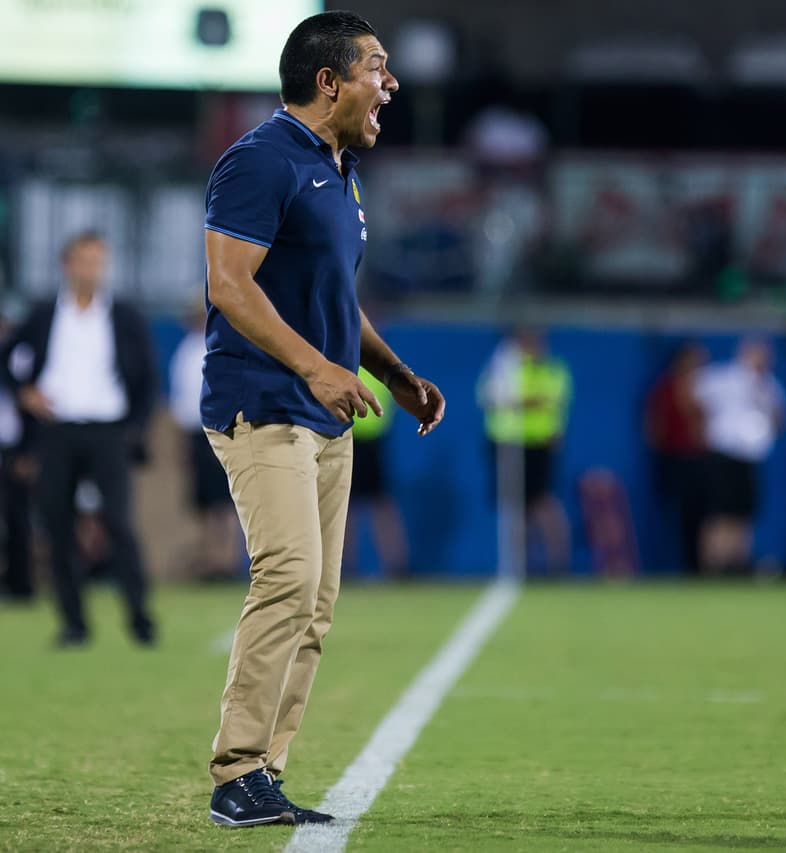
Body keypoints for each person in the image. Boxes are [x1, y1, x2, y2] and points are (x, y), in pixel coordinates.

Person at [201, 11, 445, 828]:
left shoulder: (339, 168)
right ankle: (235, 771)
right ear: (328, 81)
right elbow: (230, 285)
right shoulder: (259, 159)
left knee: (316, 603)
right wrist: (315, 364)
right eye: (378, 67)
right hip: (263, 404)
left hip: (326, 415)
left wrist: (394, 372)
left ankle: (265, 772)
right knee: (289, 579)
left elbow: (338, 300)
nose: (392, 84)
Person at [0, 232, 156, 645]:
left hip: (108, 432)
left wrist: (135, 426)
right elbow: (7, 357)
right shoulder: (43, 315)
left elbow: (145, 377)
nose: (92, 269)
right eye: (84, 261)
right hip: (56, 431)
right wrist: (23, 393)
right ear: (66, 265)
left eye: (98, 261)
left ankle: (140, 619)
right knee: (57, 524)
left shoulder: (123, 316)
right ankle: (74, 623)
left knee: (120, 524)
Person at [477, 327, 573, 575]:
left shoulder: (552, 368)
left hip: (537, 444)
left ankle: (557, 562)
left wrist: (522, 403)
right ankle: (522, 564)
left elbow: (551, 401)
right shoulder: (505, 364)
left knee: (542, 503)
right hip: (507, 443)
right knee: (515, 507)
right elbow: (489, 396)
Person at [693, 339, 786, 574]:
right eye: (756, 353)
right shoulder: (724, 377)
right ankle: (713, 565)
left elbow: (779, 420)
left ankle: (737, 565)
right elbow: (693, 397)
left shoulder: (769, 385)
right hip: (724, 454)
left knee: (743, 512)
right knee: (720, 511)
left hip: (750, 457)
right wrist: (702, 431)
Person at [169, 305, 242, 581]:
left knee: (225, 500)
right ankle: (212, 559)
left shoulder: (221, 344)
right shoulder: (185, 350)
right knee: (204, 501)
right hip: (195, 433)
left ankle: (228, 559)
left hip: (220, 428)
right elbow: (180, 399)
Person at [643, 341, 707, 574]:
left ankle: (698, 566)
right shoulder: (665, 388)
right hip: (673, 458)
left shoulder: (705, 387)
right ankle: (670, 565)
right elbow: (654, 425)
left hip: (699, 460)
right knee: (673, 514)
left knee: (699, 515)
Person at [343, 366, 410, 579]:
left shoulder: (372, 358)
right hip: (348, 435)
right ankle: (344, 566)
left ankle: (396, 565)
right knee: (345, 504)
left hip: (366, 439)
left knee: (375, 503)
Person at [0, 310, 34, 603]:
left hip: (12, 448)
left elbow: (29, 406)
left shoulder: (18, 359)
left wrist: (27, 450)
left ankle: (20, 583)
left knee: (17, 518)